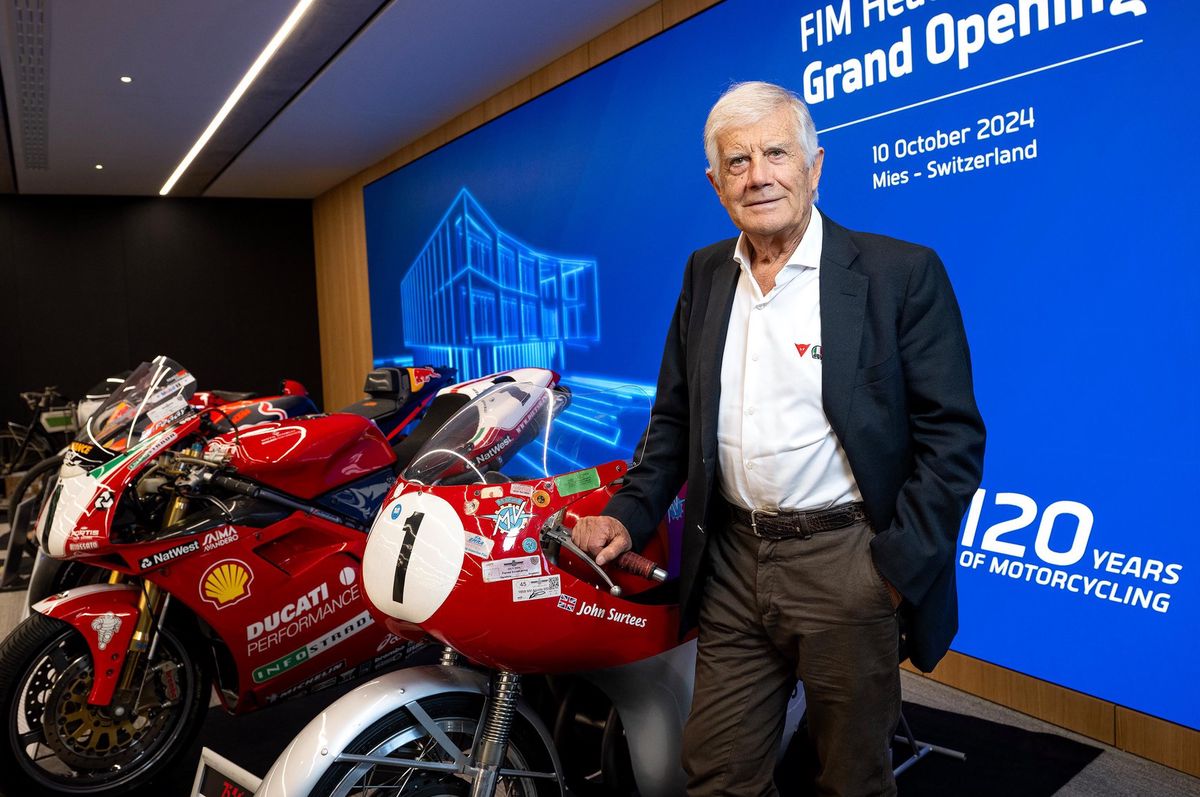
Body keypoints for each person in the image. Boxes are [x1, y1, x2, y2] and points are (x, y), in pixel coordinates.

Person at [572, 81, 986, 796]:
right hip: (732, 562)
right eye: (737, 161)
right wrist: (627, 513)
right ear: (715, 182)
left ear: (815, 166)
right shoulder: (705, 274)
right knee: (717, 772)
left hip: (849, 566)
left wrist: (888, 574)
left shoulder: (899, 274)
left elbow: (952, 439)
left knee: (852, 778)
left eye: (775, 153)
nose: (758, 174)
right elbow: (672, 422)